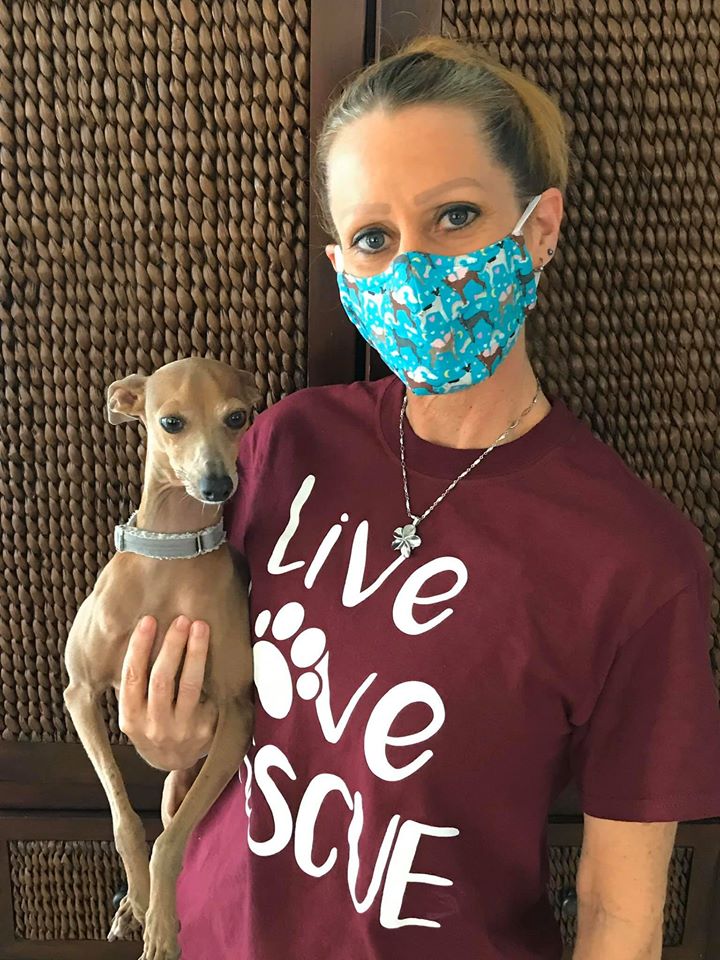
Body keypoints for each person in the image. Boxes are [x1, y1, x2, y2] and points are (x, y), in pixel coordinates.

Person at [119, 36, 720, 960]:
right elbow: (211, 719)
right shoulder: (281, 445)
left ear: (541, 227)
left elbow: (619, 916)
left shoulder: (634, 560)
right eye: (374, 237)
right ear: (341, 265)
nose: (412, 268)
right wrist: (168, 740)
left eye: (456, 217)